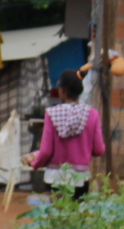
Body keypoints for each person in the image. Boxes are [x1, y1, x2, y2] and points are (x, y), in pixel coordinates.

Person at [33, 69, 106, 199]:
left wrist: (35, 163)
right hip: (80, 177)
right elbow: (99, 149)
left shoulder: (51, 113)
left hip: (54, 177)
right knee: (77, 215)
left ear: (63, 90)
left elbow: (46, 151)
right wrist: (84, 148)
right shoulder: (92, 114)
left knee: (58, 214)